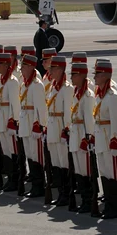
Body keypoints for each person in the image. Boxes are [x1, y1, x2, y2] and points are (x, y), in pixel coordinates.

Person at [93, 60, 117, 219]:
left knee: (113, 173)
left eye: (97, 74)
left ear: (105, 75)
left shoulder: (112, 96)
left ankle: (115, 208)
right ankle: (108, 206)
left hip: (108, 137)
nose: (95, 77)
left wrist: (115, 141)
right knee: (104, 172)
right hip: (100, 137)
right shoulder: (100, 94)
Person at [45, 56, 74, 205]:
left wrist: (66, 129)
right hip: (51, 127)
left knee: (64, 162)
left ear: (61, 70)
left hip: (60, 129)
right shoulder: (52, 86)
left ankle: (67, 193)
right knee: (55, 162)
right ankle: (61, 191)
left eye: (53, 69)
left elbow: (68, 112)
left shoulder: (66, 89)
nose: (50, 71)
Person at [19, 54, 47, 198]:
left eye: (23, 66)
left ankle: (39, 186)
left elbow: (41, 108)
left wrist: (39, 124)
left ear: (31, 67)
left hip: (32, 124)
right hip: (25, 122)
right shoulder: (25, 84)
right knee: (30, 154)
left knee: (37, 156)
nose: (21, 69)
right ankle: (35, 184)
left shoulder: (37, 85)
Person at [69, 61, 95, 212]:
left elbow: (89, 120)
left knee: (86, 170)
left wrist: (89, 137)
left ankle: (88, 201)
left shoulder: (88, 95)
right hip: (74, 133)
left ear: (81, 75)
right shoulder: (76, 92)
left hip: (82, 136)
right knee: (78, 170)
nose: (71, 77)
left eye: (73, 75)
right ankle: (84, 200)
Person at [0, 52, 22, 193]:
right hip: (1, 118)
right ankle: (10, 178)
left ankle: (15, 179)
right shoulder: (2, 80)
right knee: (5, 150)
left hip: (7, 119)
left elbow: (15, 104)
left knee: (12, 150)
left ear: (6, 65)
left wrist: (14, 120)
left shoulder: (12, 82)